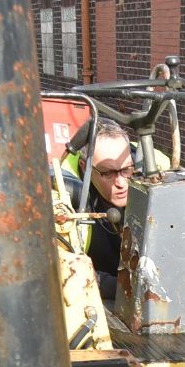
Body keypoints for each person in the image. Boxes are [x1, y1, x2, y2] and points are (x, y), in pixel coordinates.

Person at [61, 119, 136, 302]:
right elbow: (70, 271)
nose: (121, 183)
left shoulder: (153, 168)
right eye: (107, 173)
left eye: (126, 169)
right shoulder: (65, 196)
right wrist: (126, 288)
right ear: (85, 167)